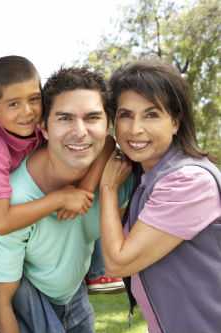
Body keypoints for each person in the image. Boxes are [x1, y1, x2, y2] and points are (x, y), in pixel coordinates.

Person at [0, 67, 134, 333]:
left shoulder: (118, 176)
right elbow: (2, 301)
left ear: (107, 125)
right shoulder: (15, 198)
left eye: (92, 118)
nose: (80, 131)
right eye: (65, 118)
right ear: (44, 128)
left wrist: (98, 187)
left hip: (76, 298)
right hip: (30, 306)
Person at [99, 60, 221, 333]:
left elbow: (119, 262)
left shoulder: (188, 182)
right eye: (125, 115)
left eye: (151, 115)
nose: (135, 129)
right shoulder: (146, 179)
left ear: (175, 122)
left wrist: (107, 190)